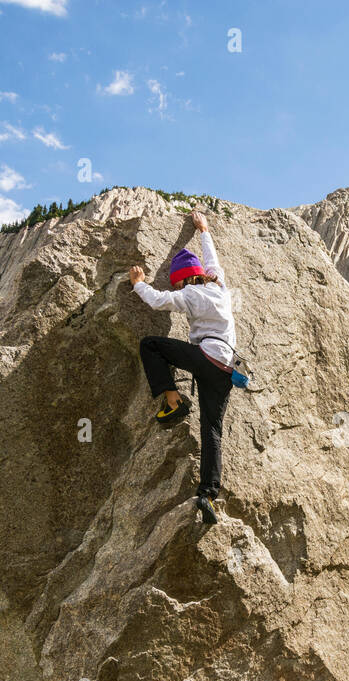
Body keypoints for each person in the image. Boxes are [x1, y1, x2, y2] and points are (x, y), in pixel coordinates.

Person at [131, 209, 236, 525]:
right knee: (212, 429)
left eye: (177, 285)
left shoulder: (189, 294)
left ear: (182, 281)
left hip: (206, 357)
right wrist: (203, 229)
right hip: (227, 368)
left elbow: (158, 300)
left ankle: (174, 403)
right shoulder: (218, 284)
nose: (177, 290)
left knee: (150, 345)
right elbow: (211, 258)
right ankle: (208, 496)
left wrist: (138, 283)